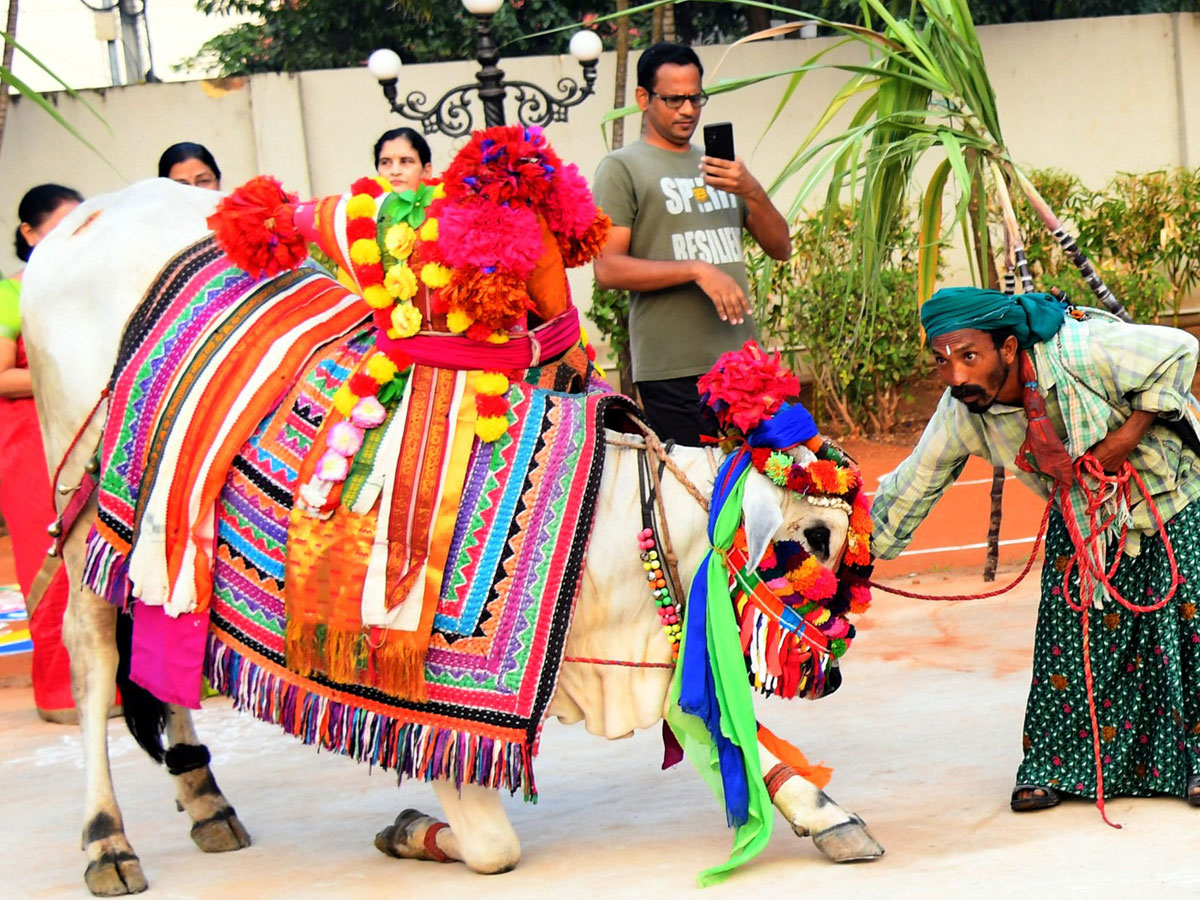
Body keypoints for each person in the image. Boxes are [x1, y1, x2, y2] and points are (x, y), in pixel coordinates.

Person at [871, 286, 1200, 813]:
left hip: (1168, 492)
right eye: (941, 361)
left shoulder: (1079, 353)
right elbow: (915, 482)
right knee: (1068, 637)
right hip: (1082, 511)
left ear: (1006, 349)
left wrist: (1125, 437)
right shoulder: (963, 413)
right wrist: (851, 552)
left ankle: (1196, 767)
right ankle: (1053, 767)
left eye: (968, 356)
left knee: (1186, 627)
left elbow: (1180, 348)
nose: (956, 376)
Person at [592, 42, 790, 446]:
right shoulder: (622, 167)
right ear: (643, 98)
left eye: (696, 97)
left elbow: (781, 247)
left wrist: (751, 189)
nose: (688, 110)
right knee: (699, 496)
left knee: (762, 490)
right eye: (674, 99)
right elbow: (608, 267)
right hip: (673, 370)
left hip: (743, 364)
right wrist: (697, 269)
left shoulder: (722, 169)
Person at [1, 183, 83, 722]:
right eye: (58, 230)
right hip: (28, 437)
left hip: (84, 435)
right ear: (29, 235)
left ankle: (121, 687)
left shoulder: (87, 291)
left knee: (96, 554)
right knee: (47, 556)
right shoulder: (13, 294)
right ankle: (61, 693)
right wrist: (69, 373)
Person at [373, 127, 433, 194]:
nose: (395, 172)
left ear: (426, 171)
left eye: (405, 161)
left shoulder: (443, 203)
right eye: (385, 163)